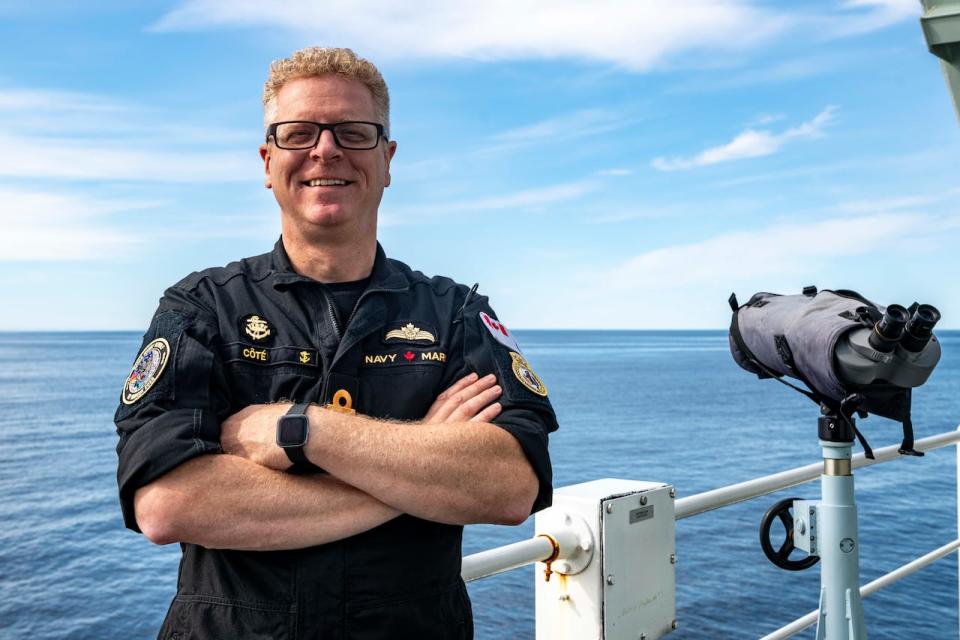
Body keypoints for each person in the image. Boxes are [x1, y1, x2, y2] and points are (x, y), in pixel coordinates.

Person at [114, 46, 558, 639]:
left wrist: (301, 430)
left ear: (388, 158)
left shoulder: (455, 314)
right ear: (268, 160)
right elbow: (169, 503)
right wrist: (422, 459)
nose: (326, 150)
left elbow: (509, 487)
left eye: (353, 132)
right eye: (300, 134)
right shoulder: (201, 309)